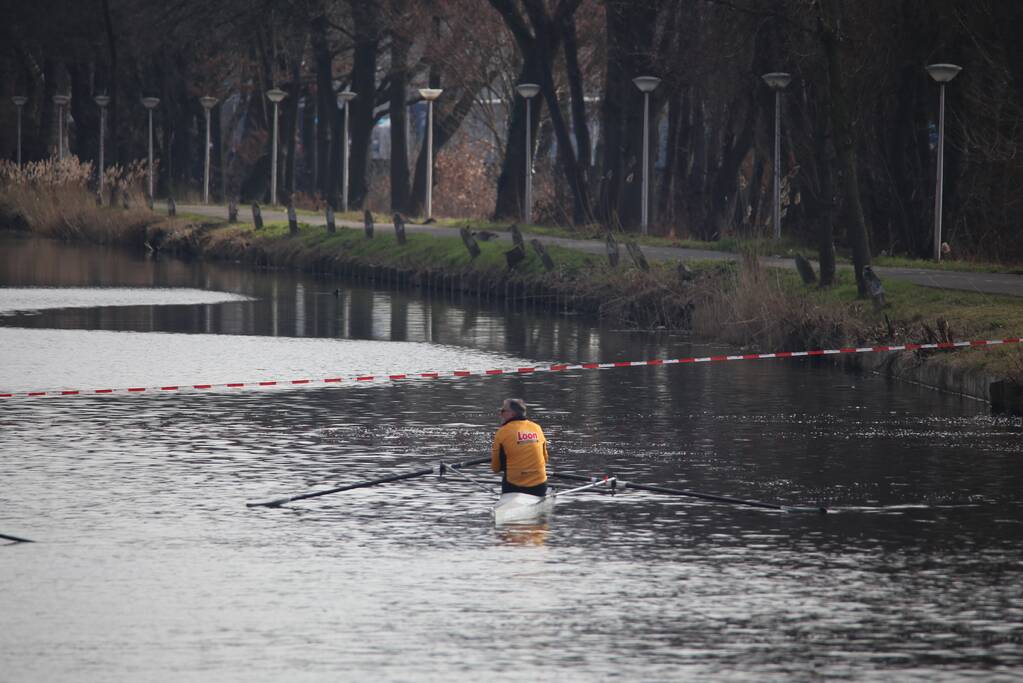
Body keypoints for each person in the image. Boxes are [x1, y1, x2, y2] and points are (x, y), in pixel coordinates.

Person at [491, 398, 549, 496]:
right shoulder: (537, 427)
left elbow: (496, 468)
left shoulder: (502, 432)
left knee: (507, 473)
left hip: (514, 487)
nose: (501, 413)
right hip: (539, 486)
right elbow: (545, 459)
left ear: (512, 414)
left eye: (503, 411)